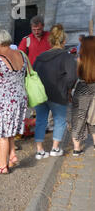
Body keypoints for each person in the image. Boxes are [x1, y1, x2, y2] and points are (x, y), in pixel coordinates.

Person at [0, 30, 28, 174]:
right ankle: (12, 156)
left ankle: (2, 166)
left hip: (7, 102)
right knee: (9, 129)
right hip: (20, 99)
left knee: (2, 134)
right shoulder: (22, 55)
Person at [32, 24, 77, 159]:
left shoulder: (40, 57)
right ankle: (55, 148)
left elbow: (34, 74)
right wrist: (67, 88)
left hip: (41, 94)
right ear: (64, 41)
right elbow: (72, 77)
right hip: (58, 93)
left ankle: (39, 150)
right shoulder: (67, 57)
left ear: (50, 41)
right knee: (60, 120)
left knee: (40, 120)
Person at [71, 36, 95, 156]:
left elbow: (74, 77)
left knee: (78, 117)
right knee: (93, 118)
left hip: (82, 89)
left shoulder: (80, 60)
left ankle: (77, 147)